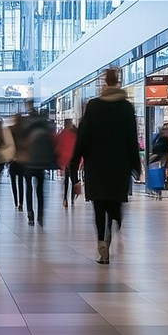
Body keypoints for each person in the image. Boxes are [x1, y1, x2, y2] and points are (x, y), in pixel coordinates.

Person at [70, 68, 140, 264]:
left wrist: (75, 163)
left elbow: (83, 137)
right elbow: (131, 138)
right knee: (114, 203)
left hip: (97, 165)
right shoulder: (127, 107)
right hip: (119, 166)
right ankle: (112, 228)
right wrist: (136, 165)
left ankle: (102, 243)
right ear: (118, 82)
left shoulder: (93, 106)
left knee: (99, 206)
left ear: (104, 82)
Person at [21, 103, 58, 226]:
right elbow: (52, 144)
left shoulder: (28, 126)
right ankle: (40, 215)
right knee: (40, 190)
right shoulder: (46, 127)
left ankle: (30, 214)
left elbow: (23, 140)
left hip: (29, 162)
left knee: (29, 189)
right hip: (42, 163)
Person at [56, 118, 78, 208]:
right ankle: (72, 199)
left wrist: (60, 160)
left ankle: (65, 199)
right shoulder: (75, 134)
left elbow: (58, 146)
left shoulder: (62, 134)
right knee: (73, 180)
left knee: (66, 181)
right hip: (73, 161)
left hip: (66, 161)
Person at [8, 113, 27, 210]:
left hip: (13, 159)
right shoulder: (25, 131)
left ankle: (16, 200)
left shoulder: (11, 130)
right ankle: (20, 202)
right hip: (22, 159)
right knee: (21, 182)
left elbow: (8, 144)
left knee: (13, 181)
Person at [148, 124, 168, 199]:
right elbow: (154, 144)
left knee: (159, 171)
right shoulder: (159, 137)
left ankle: (158, 188)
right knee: (156, 169)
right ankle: (156, 188)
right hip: (158, 155)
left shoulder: (166, 139)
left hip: (162, 156)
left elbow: (163, 148)